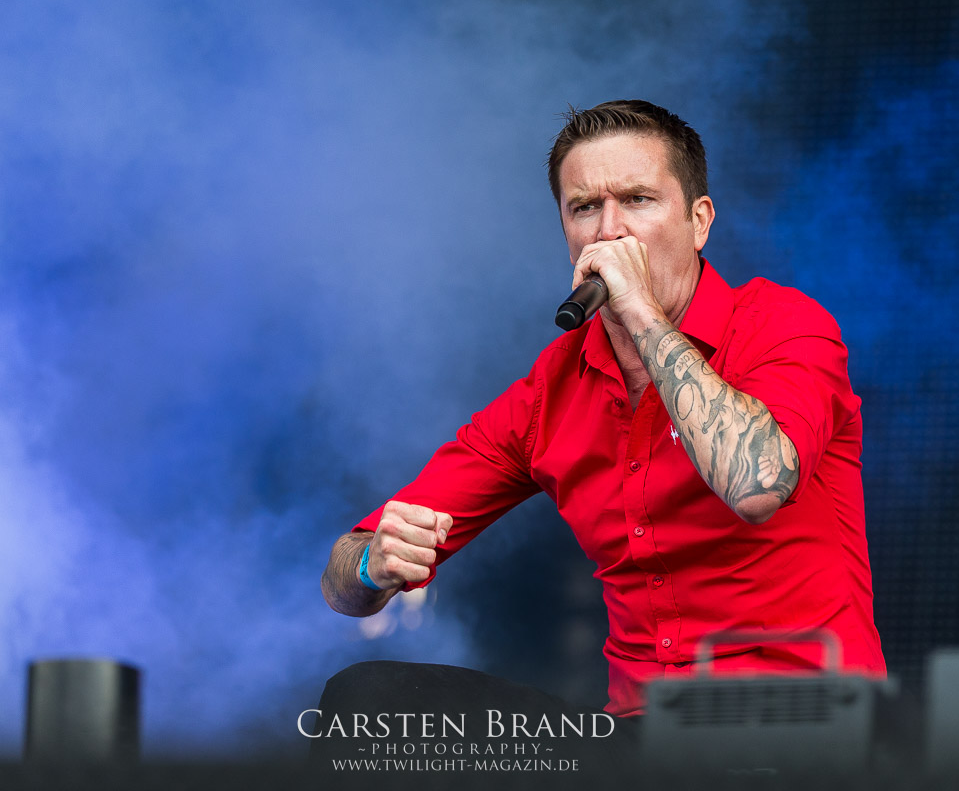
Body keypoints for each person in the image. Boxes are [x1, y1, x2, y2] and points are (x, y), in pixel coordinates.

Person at [319, 100, 885, 727]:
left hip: (806, 725)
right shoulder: (551, 390)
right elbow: (344, 581)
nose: (609, 231)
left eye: (639, 200)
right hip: (640, 740)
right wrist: (373, 564)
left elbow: (757, 486)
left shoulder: (784, 326)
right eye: (585, 207)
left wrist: (641, 313)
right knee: (369, 699)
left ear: (699, 221)